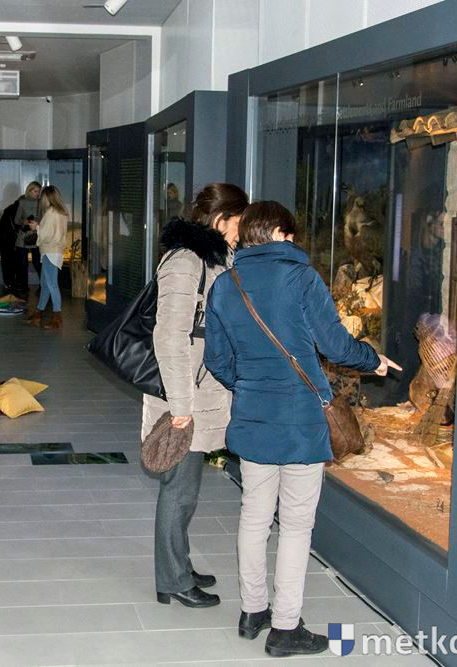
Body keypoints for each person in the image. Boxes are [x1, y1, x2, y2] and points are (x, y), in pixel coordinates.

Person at [203, 201, 400, 657]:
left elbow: (217, 359)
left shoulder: (226, 284)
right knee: (294, 525)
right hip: (300, 422)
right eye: (290, 234)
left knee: (254, 516)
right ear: (277, 232)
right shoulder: (301, 278)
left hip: (252, 418)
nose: (294, 241)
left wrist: (248, 386)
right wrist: (373, 360)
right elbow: (336, 346)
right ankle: (286, 628)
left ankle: (253, 610)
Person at [142, 182, 249, 610]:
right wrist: (181, 406)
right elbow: (169, 336)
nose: (242, 231)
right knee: (179, 490)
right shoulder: (186, 261)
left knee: (186, 489)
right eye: (239, 222)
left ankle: (179, 565)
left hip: (199, 392)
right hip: (184, 396)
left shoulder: (212, 258)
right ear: (221, 219)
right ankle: (172, 579)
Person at [23, 184, 68, 329]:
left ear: (47, 198)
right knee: (46, 283)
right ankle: (39, 312)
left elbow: (46, 234)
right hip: (54, 251)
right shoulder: (61, 212)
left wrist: (36, 227)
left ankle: (56, 316)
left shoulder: (51, 213)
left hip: (50, 251)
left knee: (51, 284)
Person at [13, 181, 43, 298]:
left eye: (39, 191)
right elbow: (16, 220)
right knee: (23, 264)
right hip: (23, 236)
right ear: (29, 190)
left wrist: (37, 222)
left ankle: (43, 285)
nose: (37, 194)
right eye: (35, 191)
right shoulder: (22, 202)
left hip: (35, 235)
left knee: (37, 262)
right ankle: (24, 286)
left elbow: (44, 219)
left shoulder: (41, 203)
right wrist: (24, 221)